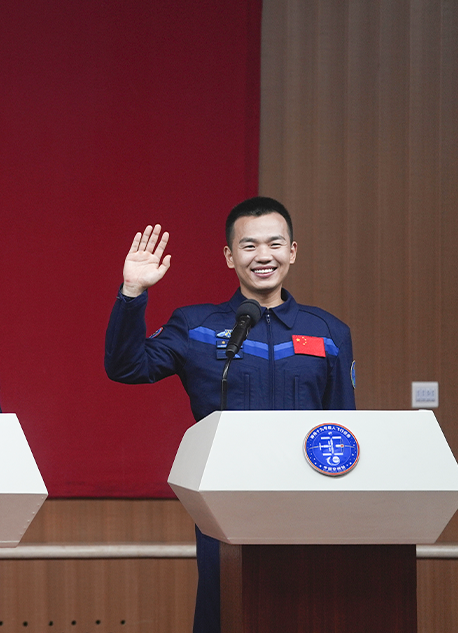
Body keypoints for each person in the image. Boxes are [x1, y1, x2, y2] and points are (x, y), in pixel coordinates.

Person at [104, 197, 355, 633]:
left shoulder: (329, 331)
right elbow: (127, 367)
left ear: (292, 251)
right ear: (229, 256)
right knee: (227, 612)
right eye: (249, 245)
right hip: (225, 504)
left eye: (275, 244)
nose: (263, 256)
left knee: (308, 612)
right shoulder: (195, 326)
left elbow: (345, 428)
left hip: (308, 508)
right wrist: (132, 293)